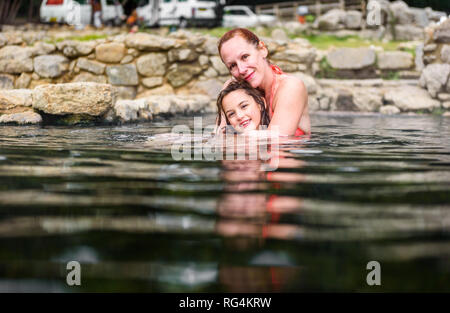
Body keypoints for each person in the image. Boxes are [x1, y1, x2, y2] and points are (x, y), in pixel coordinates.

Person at [217, 28, 310, 136]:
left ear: (262, 49)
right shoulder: (232, 90)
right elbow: (219, 135)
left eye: (245, 57)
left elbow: (279, 138)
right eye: (233, 65)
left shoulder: (291, 87)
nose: (242, 69)